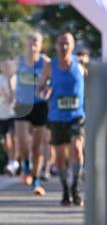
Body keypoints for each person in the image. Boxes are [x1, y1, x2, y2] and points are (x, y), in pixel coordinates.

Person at [37, 31, 85, 207]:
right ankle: (65, 189)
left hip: (76, 116)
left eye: (67, 43)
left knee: (77, 149)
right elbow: (40, 89)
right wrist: (45, 92)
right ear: (56, 46)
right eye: (61, 43)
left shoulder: (80, 65)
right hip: (57, 117)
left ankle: (76, 188)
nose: (64, 47)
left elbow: (92, 82)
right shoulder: (50, 66)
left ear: (73, 46)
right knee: (59, 158)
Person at [14, 31, 50, 196]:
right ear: (25, 45)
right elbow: (9, 76)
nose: (32, 46)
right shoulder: (19, 61)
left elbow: (54, 82)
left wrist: (48, 90)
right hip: (22, 104)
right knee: (21, 141)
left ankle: (36, 180)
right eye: (30, 42)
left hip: (40, 105)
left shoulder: (46, 63)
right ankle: (25, 166)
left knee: (37, 147)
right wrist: (9, 91)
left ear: (41, 45)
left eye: (36, 42)